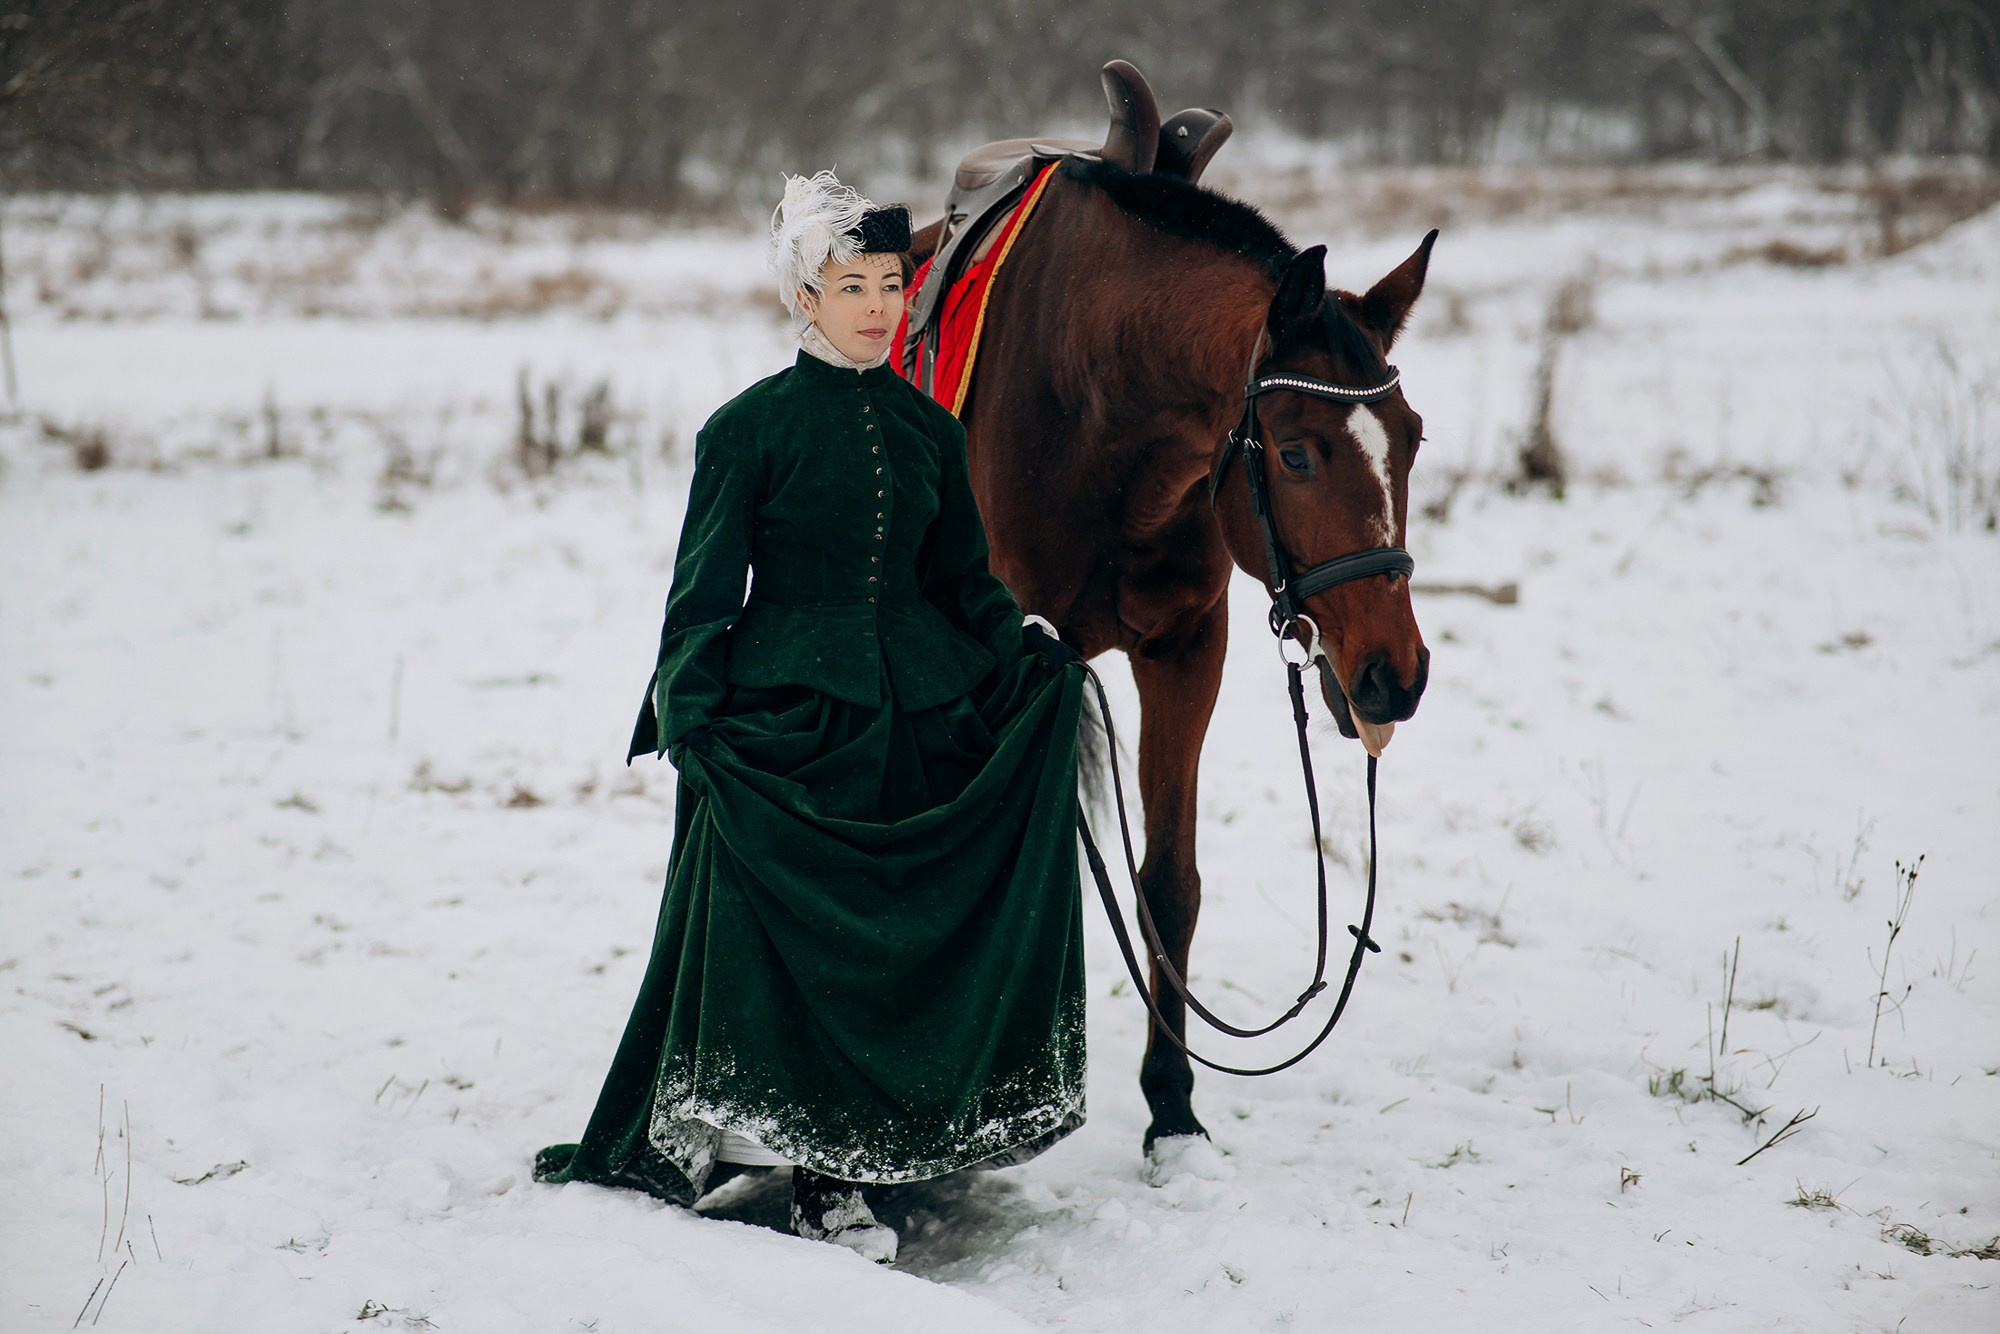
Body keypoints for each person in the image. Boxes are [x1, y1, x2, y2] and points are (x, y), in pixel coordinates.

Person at [534, 171, 1087, 1264]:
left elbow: (960, 584)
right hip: (791, 716)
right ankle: (810, 1167)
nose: (880, 306)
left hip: (914, 710)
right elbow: (700, 597)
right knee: (796, 942)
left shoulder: (930, 429)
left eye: (891, 284)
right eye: (853, 286)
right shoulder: (743, 432)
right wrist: (692, 720)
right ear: (804, 297)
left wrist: (1025, 651)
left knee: (898, 932)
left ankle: (890, 1133)